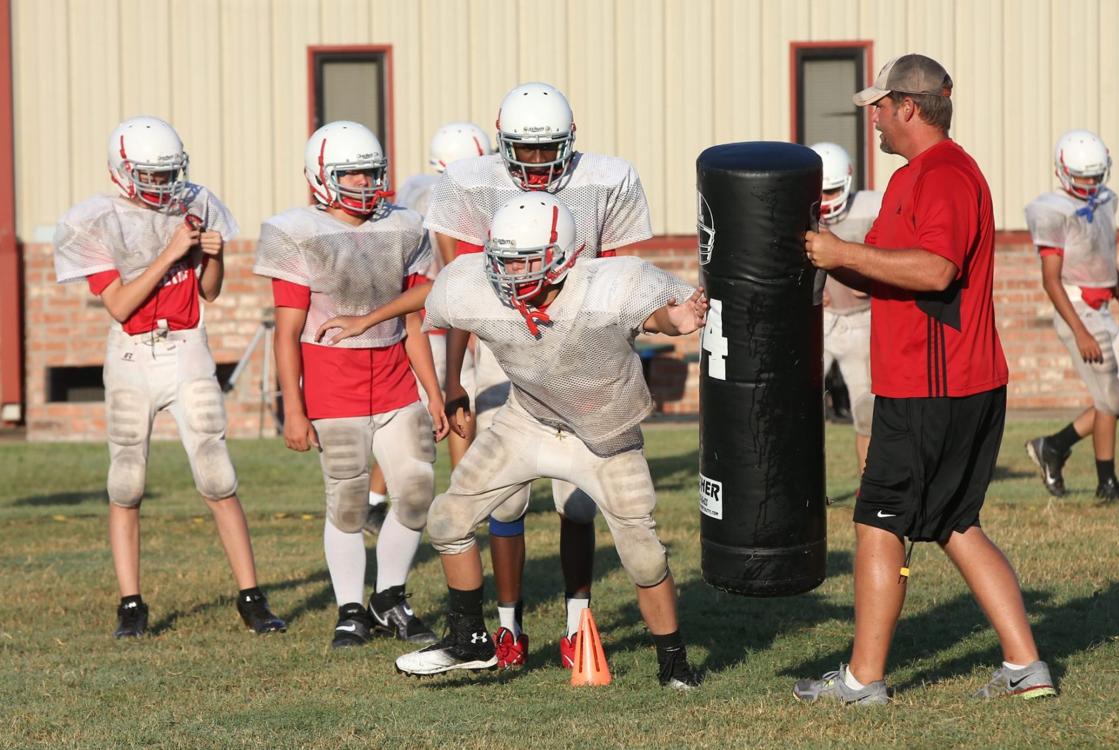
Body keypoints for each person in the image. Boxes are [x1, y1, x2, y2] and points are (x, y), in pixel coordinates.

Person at [321, 193, 704, 688]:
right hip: (528, 421)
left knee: (644, 555)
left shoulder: (609, 286)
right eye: (504, 259)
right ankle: (469, 639)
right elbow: (435, 296)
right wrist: (366, 320)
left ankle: (673, 664)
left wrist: (679, 321)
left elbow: (659, 315)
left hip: (603, 435)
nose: (511, 272)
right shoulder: (477, 284)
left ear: (563, 256)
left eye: (525, 260)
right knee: (448, 517)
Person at [796, 55, 1055, 704]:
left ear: (909, 107)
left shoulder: (943, 176)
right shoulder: (915, 179)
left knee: (880, 521)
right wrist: (816, 252)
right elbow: (884, 266)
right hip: (955, 383)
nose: (874, 119)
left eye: (880, 107)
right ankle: (1027, 666)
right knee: (955, 522)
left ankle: (862, 680)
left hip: (932, 386)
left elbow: (936, 271)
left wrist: (840, 253)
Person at [422, 82, 654, 669]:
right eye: (521, 150)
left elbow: (626, 277)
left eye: (544, 148)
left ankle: (579, 622)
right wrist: (455, 379)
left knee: (578, 503)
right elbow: (465, 292)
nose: (533, 162)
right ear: (501, 143)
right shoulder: (473, 183)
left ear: (569, 141)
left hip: (582, 362)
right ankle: (507, 627)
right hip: (503, 354)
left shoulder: (607, 179)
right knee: (505, 502)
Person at [53, 116, 285, 638]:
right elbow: (119, 304)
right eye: (150, 175)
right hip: (133, 353)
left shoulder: (193, 204)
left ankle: (251, 598)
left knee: (216, 474)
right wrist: (172, 252)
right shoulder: (96, 221)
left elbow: (209, 293)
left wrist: (212, 260)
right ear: (122, 170)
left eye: (166, 173)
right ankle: (131, 605)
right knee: (127, 480)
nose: (161, 185)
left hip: (186, 348)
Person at [253, 121, 449, 648]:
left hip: (395, 380)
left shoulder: (405, 225)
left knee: (415, 489)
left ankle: (389, 597)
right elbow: (287, 333)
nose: (365, 184)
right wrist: (292, 408)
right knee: (347, 501)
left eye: (371, 173)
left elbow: (415, 320)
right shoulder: (297, 231)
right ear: (321, 176)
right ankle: (350, 608)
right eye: (352, 174)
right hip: (332, 384)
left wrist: (432, 391)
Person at [363, 122, 495, 536]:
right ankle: (459, 494)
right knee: (456, 403)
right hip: (440, 315)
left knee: (421, 410)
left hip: (419, 315)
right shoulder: (451, 197)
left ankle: (374, 500)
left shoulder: (419, 189)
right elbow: (454, 263)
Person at [1023, 130, 1119, 502]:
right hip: (1076, 310)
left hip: (1103, 309)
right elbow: (1051, 281)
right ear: (1064, 172)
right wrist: (1079, 330)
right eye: (1082, 177)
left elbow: (1109, 270)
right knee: (1109, 402)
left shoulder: (1104, 203)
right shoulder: (1053, 210)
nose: (1089, 184)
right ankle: (1107, 484)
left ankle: (1053, 445)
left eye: (1095, 176)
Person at [810, 141, 881, 475]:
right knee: (792, 407)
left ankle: (869, 488)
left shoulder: (871, 208)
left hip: (861, 322)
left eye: (832, 191)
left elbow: (891, 258)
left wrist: (871, 279)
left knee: (867, 413)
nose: (824, 201)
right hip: (816, 322)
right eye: (818, 192)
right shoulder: (793, 211)